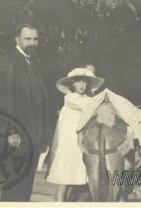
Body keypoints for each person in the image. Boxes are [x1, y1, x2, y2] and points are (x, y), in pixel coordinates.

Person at [0, 24, 51, 201]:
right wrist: (11, 132)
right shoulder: (10, 62)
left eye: (35, 39)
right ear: (17, 39)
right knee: (14, 185)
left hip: (33, 137)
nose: (32, 43)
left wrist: (42, 136)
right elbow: (5, 99)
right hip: (18, 137)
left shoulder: (33, 63)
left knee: (25, 187)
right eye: (28, 39)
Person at [46, 67, 105, 201]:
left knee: (80, 177)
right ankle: (59, 202)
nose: (82, 85)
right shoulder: (70, 98)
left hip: (83, 141)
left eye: (84, 82)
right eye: (78, 82)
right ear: (72, 83)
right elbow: (89, 106)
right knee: (66, 177)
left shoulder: (89, 98)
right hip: (70, 143)